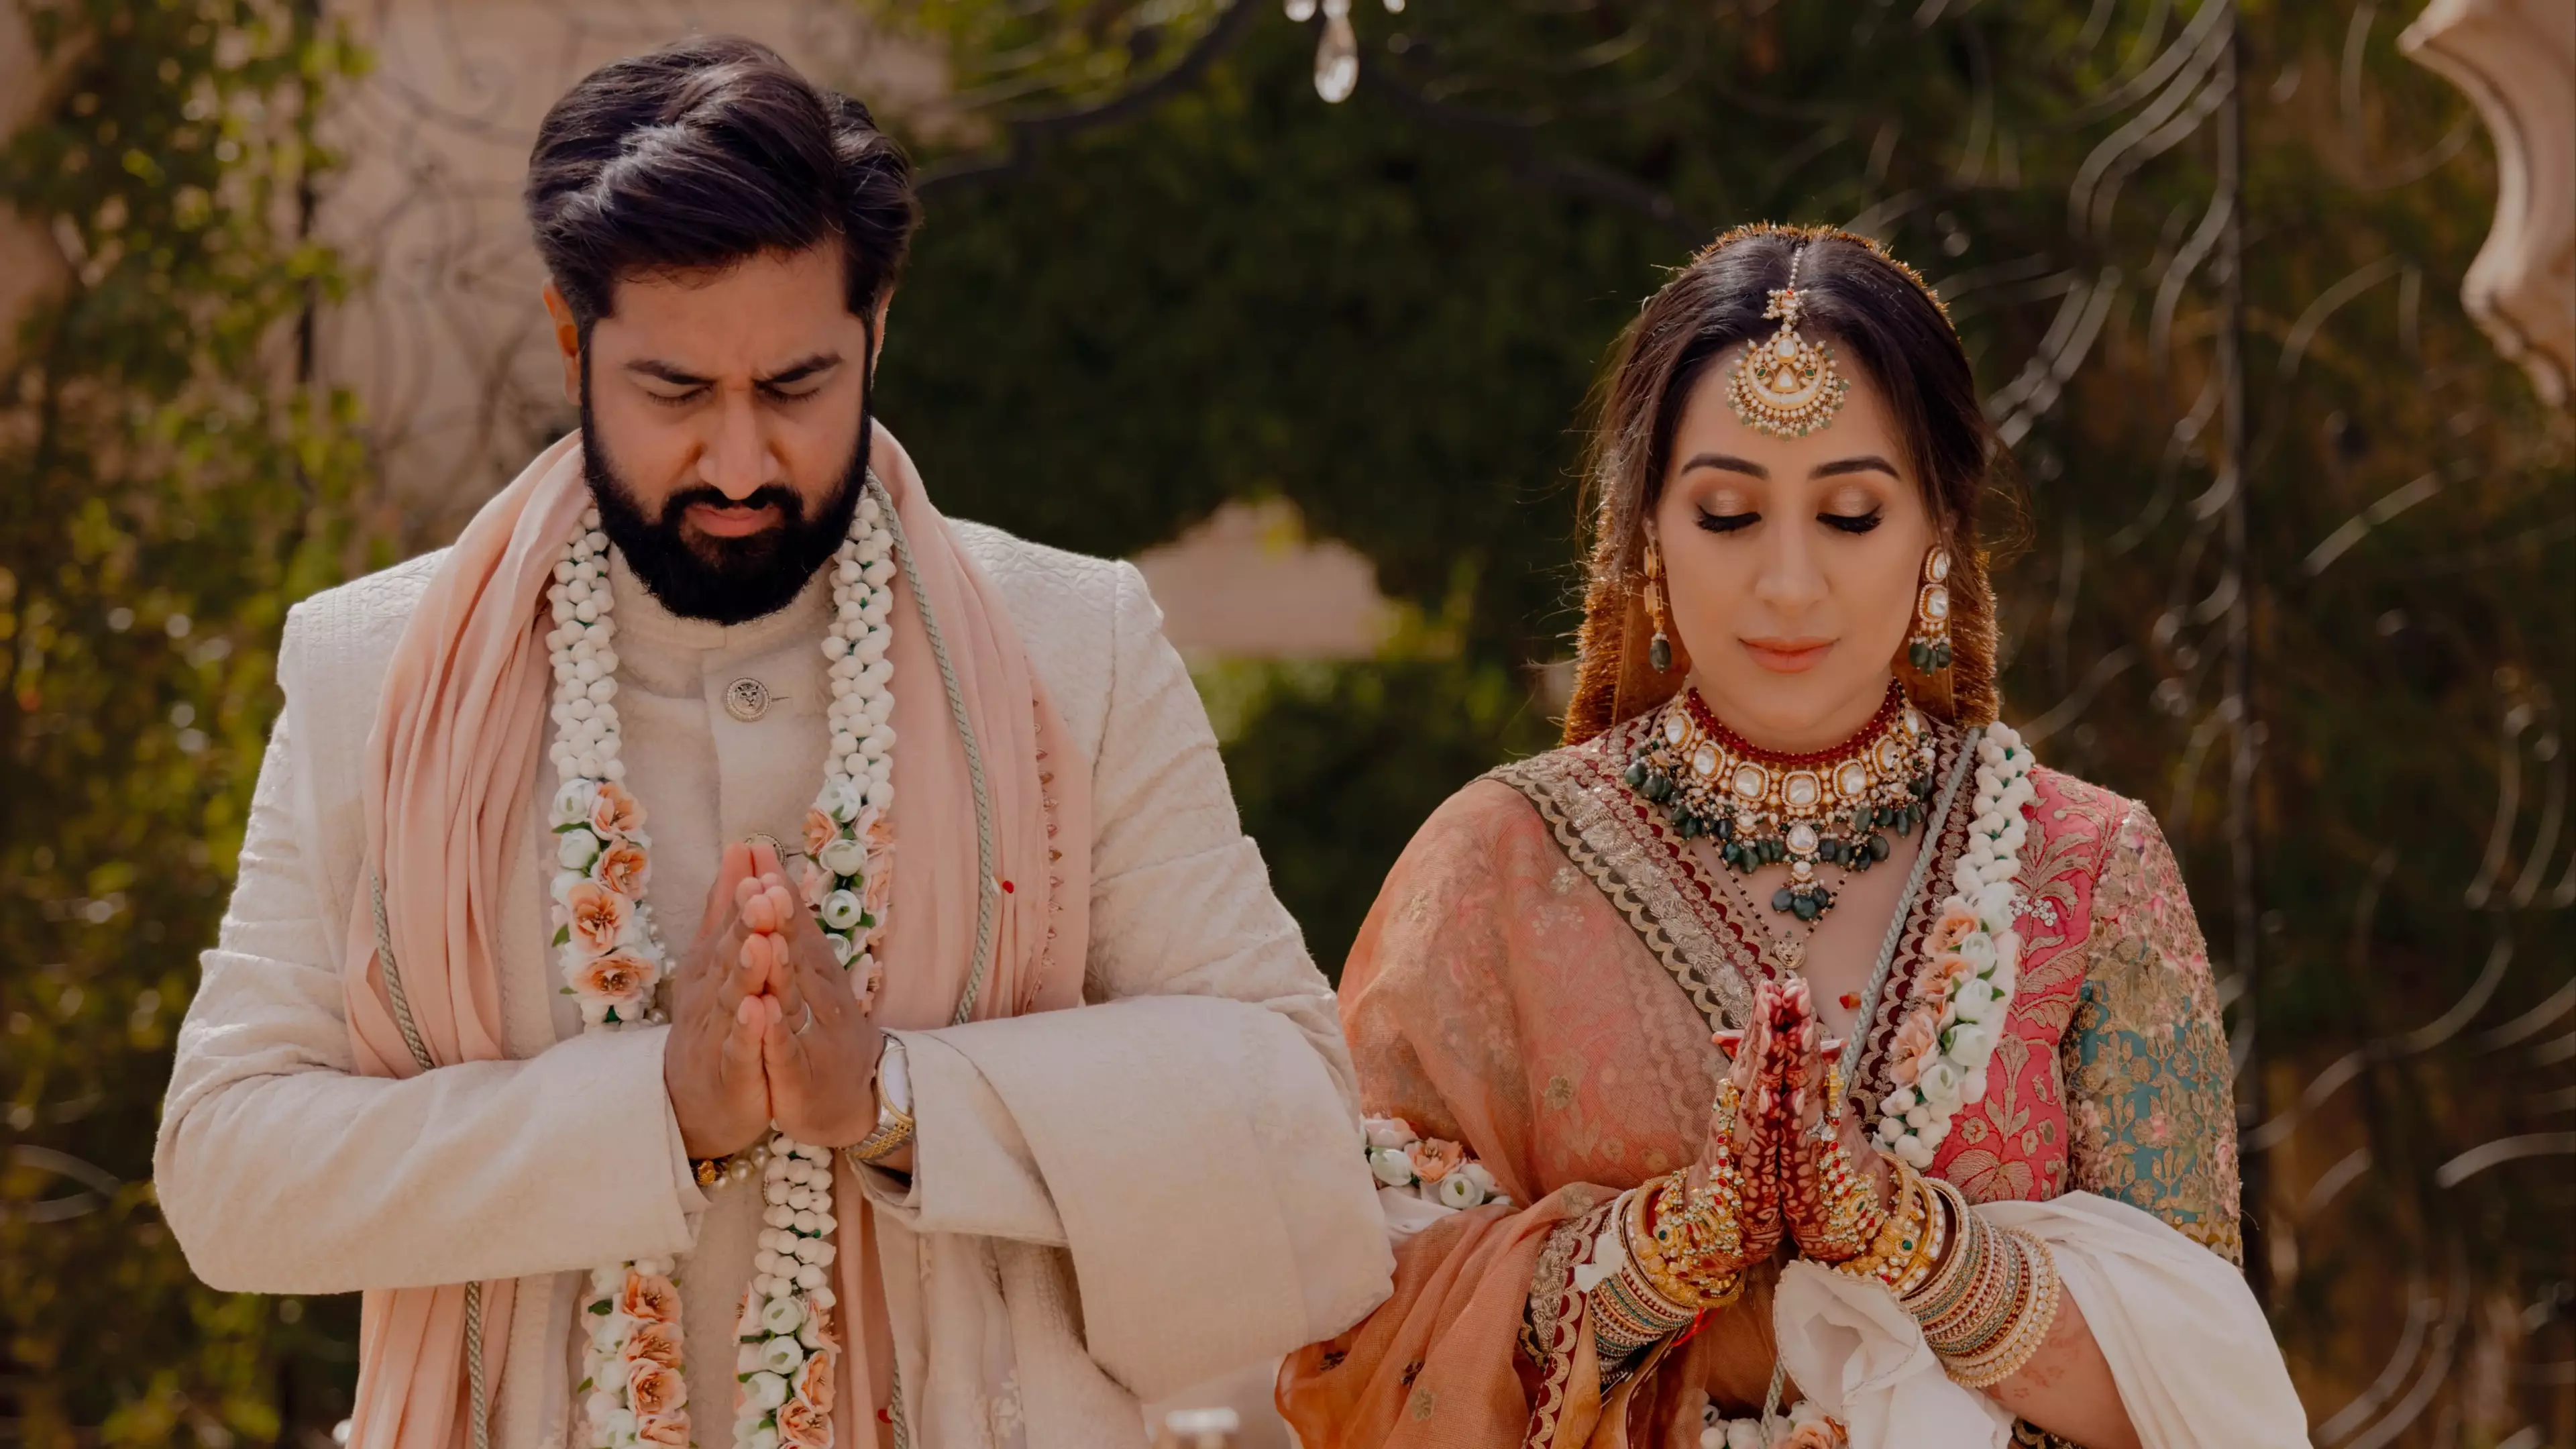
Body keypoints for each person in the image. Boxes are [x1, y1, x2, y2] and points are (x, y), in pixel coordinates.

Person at [155, 37, 1389, 1449]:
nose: (740, 465)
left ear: (877, 336)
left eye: (797, 388)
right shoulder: (374, 674)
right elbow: (228, 1165)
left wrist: (899, 1096)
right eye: (676, 394)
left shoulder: (1072, 645)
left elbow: (1292, 1102)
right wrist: (652, 1116)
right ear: (573, 342)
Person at [1277, 225, 2306, 1448]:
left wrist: (1908, 1243)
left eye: (1852, 515)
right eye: (1725, 514)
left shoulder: (2083, 869)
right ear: (1646, 532)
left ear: (1938, 531)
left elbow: (2201, 1385)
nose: (1788, 584)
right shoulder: (1498, 867)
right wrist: (1674, 1247)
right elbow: (1355, 1335)